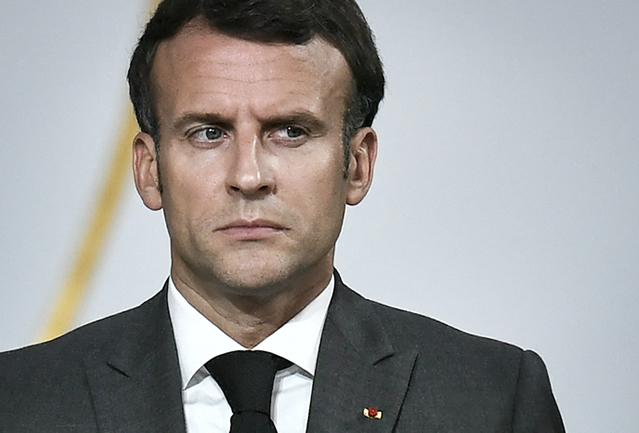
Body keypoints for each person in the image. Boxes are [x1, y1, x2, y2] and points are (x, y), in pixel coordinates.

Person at [0, 0, 565, 431]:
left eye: (290, 131)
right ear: (150, 170)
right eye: (209, 133)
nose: (249, 176)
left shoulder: (493, 400)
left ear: (357, 164)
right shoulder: (17, 402)